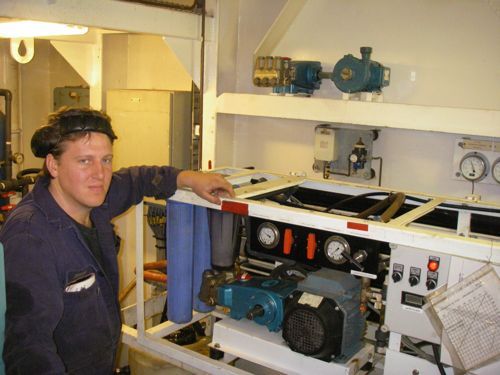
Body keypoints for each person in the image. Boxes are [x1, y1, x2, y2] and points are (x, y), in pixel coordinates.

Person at [0, 107, 234, 374]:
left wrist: (189, 178)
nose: (100, 174)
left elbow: (139, 179)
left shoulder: (94, 200)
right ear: (53, 165)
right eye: (84, 161)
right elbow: (29, 350)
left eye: (106, 160)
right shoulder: (31, 238)